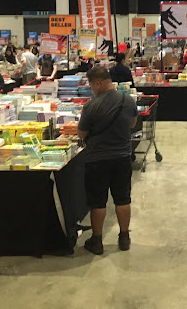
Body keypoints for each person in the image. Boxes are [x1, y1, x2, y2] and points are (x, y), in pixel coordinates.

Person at [77, 66, 138, 255]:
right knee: (123, 198)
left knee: (98, 202)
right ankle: (124, 237)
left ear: (97, 83)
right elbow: (132, 124)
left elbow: (81, 134)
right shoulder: (128, 100)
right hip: (122, 157)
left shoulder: (91, 106)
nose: (92, 90)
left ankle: (97, 241)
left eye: (91, 86)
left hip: (97, 160)